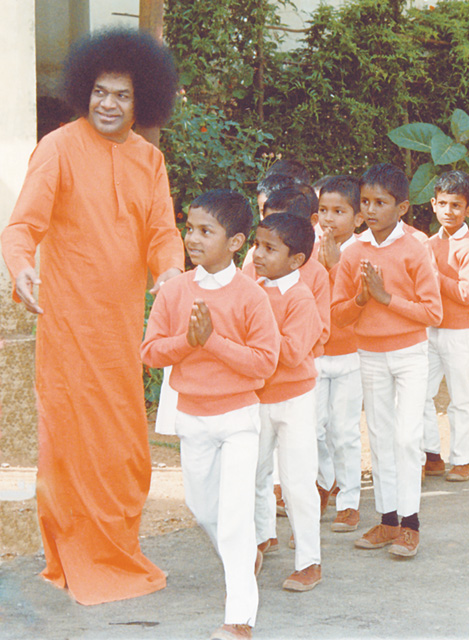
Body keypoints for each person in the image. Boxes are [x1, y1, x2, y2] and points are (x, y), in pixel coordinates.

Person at [1, 29, 184, 604]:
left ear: (143, 101)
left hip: (123, 332)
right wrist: (22, 268)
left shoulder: (149, 160)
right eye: (101, 92)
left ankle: (118, 552)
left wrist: (173, 277)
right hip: (69, 329)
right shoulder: (56, 148)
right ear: (86, 93)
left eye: (123, 95)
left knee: (126, 450)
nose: (109, 104)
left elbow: (163, 234)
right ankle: (75, 558)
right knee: (71, 448)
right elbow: (22, 226)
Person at [141, 190, 279, 640]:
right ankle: (244, 558)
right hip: (193, 419)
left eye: (206, 231)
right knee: (202, 507)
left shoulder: (251, 296)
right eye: (190, 228)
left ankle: (239, 618)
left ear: (236, 241)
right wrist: (189, 342)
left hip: (239, 418)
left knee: (235, 515)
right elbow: (151, 353)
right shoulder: (176, 289)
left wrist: (212, 341)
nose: (192, 238)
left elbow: (263, 364)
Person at [331, 163, 442, 558]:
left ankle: (410, 524)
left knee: (407, 437)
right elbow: (338, 314)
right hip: (369, 354)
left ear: (403, 208)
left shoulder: (416, 248)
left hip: (410, 354)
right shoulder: (353, 251)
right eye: (366, 202)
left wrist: (385, 298)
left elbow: (433, 313)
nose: (372, 209)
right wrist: (362, 298)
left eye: (382, 202)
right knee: (379, 437)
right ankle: (388, 519)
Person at [251, 213, 324, 592]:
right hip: (255, 397)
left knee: (296, 482)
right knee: (253, 473)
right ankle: (261, 539)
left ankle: (309, 561)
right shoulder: (252, 288)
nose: (257, 254)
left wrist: (257, 334)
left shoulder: (300, 297)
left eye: (268, 248)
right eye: (256, 245)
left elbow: (294, 353)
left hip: (294, 398)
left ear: (296, 260)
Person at [422, 171, 469, 482]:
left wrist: (435, 276)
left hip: (460, 331)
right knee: (420, 392)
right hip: (430, 328)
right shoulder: (428, 243)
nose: (449, 211)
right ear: (433, 204)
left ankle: (461, 460)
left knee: (460, 397)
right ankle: (431, 454)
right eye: (443, 203)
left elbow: (465, 293)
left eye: (456, 205)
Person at [314, 176, 365, 531]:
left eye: (338, 211)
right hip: (315, 354)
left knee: (344, 431)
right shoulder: (305, 248)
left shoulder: (363, 251)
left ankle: (349, 499)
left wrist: (335, 266)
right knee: (313, 428)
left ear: (358, 217)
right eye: (322, 211)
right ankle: (323, 482)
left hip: (351, 353)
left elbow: (355, 303)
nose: (328, 219)